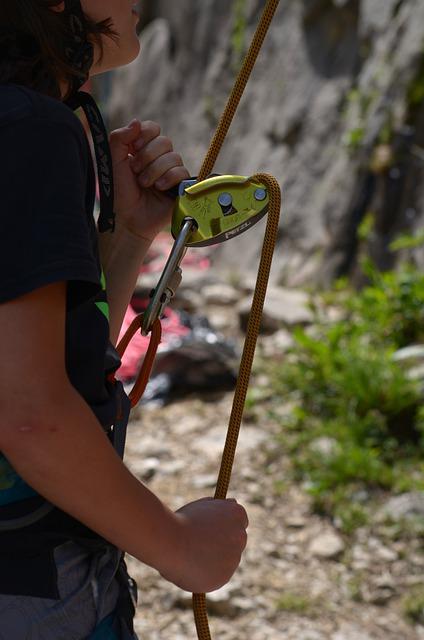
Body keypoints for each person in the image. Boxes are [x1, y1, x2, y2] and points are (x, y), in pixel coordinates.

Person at [0, 1, 249, 638]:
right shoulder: (29, 130)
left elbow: (48, 363)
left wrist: (129, 236)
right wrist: (181, 547)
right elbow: (28, 413)